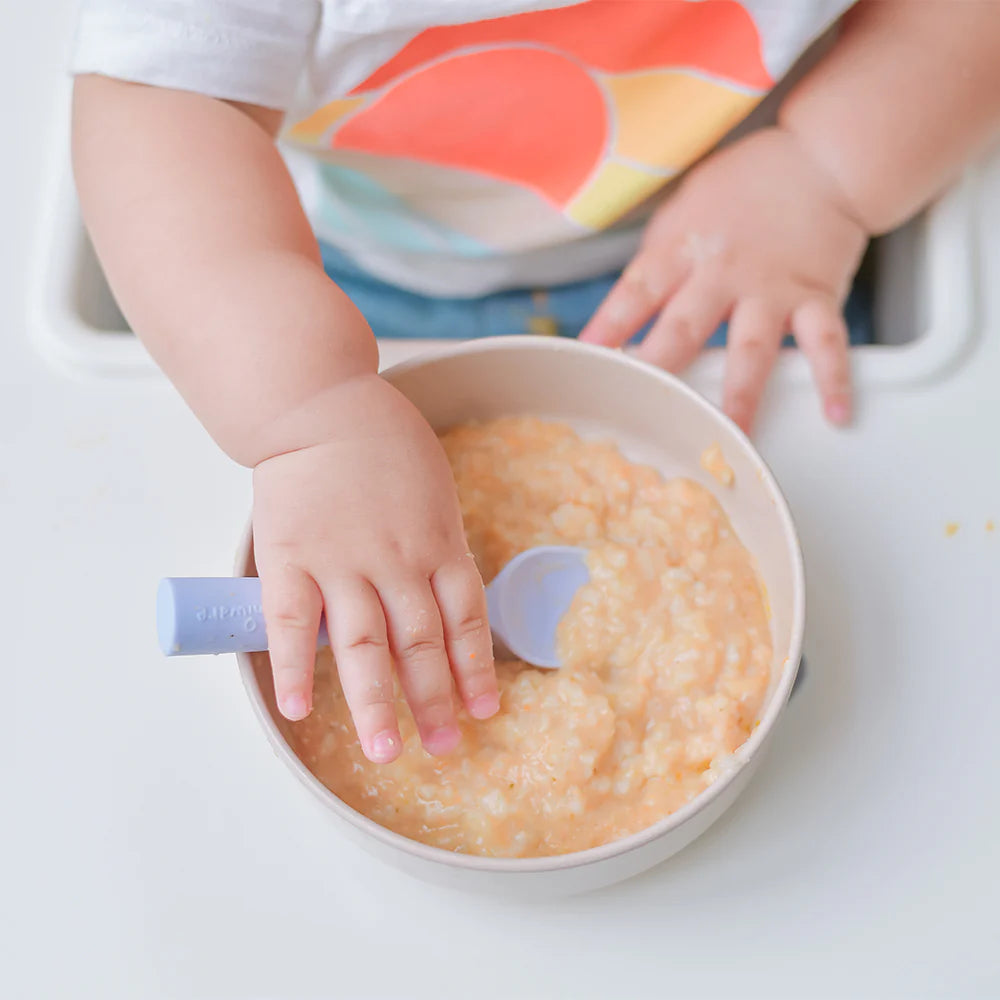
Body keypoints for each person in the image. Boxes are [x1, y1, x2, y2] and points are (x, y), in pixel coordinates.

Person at [71, 0, 1000, 764]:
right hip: (329, 281)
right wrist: (307, 413)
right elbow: (158, 105)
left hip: (756, 223)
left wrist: (823, 171)